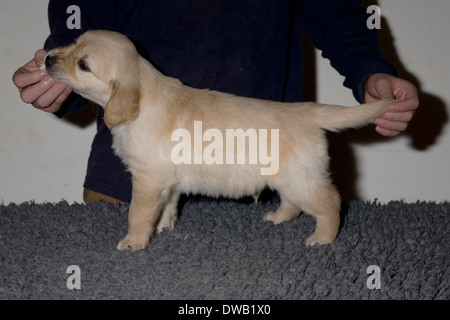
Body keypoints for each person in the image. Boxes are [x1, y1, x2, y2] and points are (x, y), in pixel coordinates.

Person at [12, 0, 419, 205]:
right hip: (130, 185)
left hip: (260, 173)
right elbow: (78, 14)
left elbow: (337, 13)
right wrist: (58, 66)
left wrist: (370, 69)